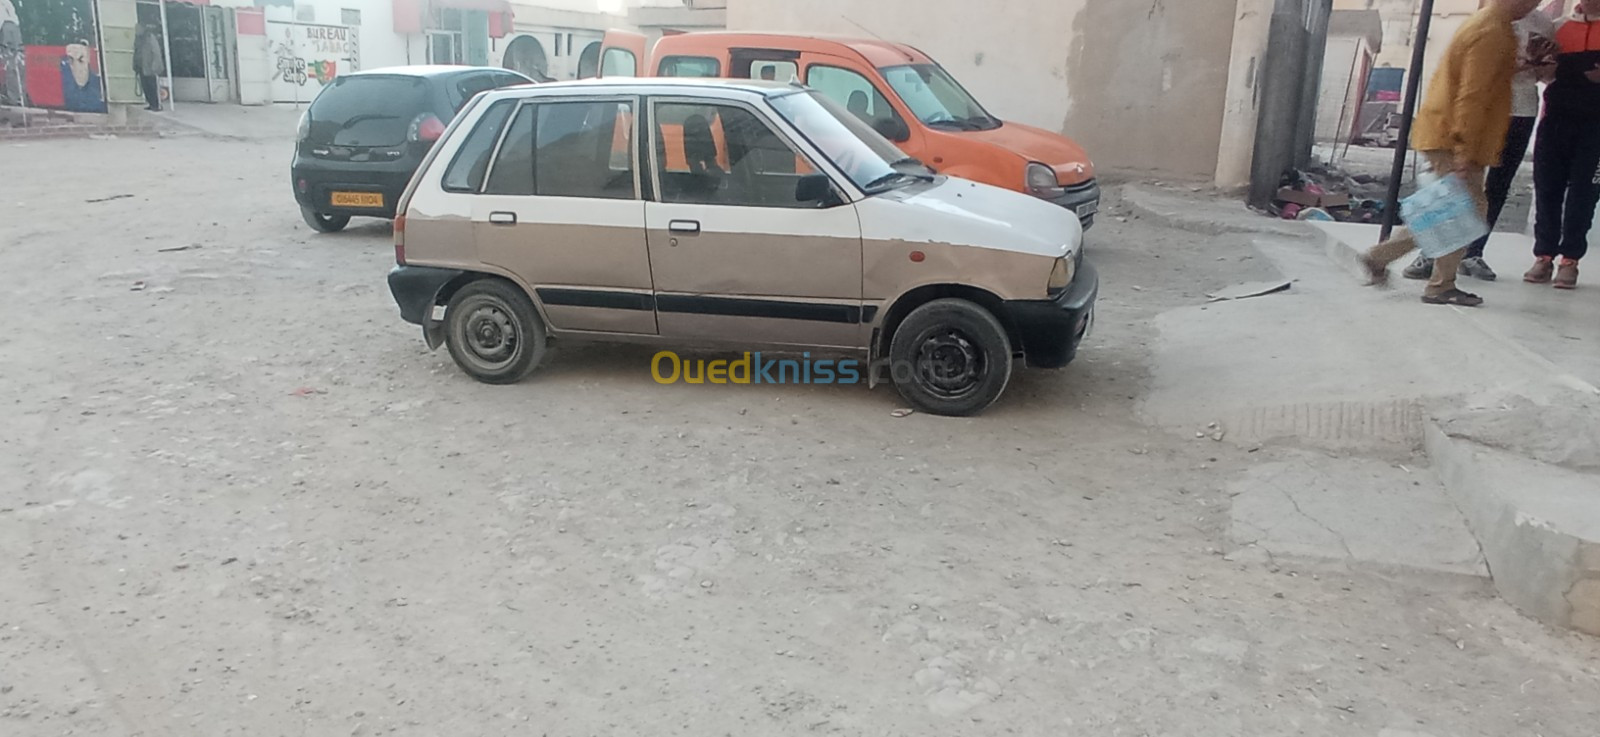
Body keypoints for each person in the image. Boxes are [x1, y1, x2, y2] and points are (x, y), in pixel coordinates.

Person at [1360, 0, 1541, 306]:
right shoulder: (1491, 31)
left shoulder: (1492, 25)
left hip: (1451, 132)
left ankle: (1389, 261)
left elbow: (1483, 81)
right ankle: (1436, 283)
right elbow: (1472, 95)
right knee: (1464, 211)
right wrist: (1464, 151)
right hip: (1454, 136)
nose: (1535, 5)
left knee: (1455, 209)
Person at [1403, 5, 1557, 282]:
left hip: (1520, 109)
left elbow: (1547, 76)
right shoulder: (1490, 21)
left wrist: (1543, 65)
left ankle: (1473, 253)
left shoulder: (1543, 23)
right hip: (1479, 113)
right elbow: (1473, 84)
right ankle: (1428, 256)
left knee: (1495, 187)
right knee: (1454, 193)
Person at [1526, 0, 1600, 289]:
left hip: (1596, 128)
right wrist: (1539, 63)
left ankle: (1570, 259)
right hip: (1556, 120)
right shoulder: (1558, 28)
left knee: (1586, 191)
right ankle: (1543, 255)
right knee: (1547, 188)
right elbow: (1545, 75)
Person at [134, 23, 165, 112]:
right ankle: (151, 103)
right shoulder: (137, 39)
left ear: (143, 28)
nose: (136, 30)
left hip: (150, 67)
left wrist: (155, 66)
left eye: (138, 28)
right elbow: (136, 53)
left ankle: (156, 104)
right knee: (145, 87)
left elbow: (156, 52)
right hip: (141, 67)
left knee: (152, 86)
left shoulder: (150, 37)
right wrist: (135, 65)